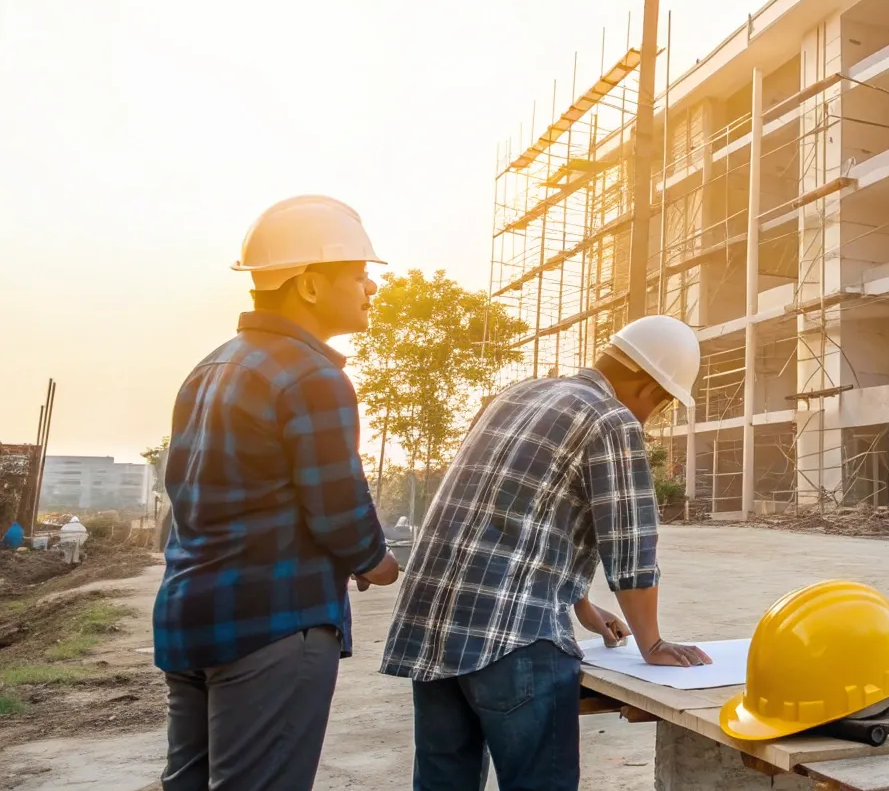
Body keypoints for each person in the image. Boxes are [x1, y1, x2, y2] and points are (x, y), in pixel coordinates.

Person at [382, 314, 711, 791]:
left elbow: (516, 517)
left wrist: (581, 603)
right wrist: (653, 643)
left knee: (442, 782)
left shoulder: (516, 396)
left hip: (432, 624)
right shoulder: (611, 420)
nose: (648, 419)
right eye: (657, 407)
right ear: (648, 389)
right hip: (512, 637)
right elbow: (631, 546)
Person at [155, 195, 401, 791]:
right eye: (359, 275)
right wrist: (377, 561)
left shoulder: (210, 368)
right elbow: (338, 508)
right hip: (273, 624)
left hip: (191, 617)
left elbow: (187, 497)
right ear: (310, 285)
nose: (372, 288)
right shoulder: (313, 374)